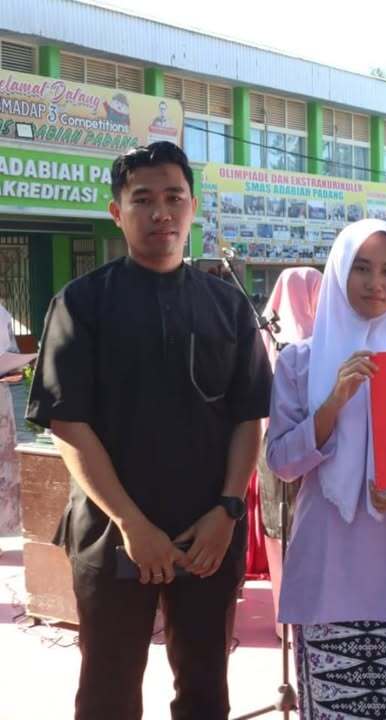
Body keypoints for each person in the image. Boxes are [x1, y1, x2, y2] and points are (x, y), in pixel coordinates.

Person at [25, 142, 272, 720]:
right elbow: (67, 422)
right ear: (118, 211)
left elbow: (248, 416)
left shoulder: (228, 306)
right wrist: (133, 524)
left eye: (174, 197)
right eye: (143, 199)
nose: (161, 212)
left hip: (208, 535)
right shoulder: (82, 304)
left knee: (205, 689)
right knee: (108, 691)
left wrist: (228, 510)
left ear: (193, 207)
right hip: (113, 532)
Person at [266, 219, 386, 720]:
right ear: (338, 273)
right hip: (327, 572)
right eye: (362, 268)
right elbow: (282, 463)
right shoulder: (300, 363)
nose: (377, 283)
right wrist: (333, 400)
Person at [255, 266, 322, 638]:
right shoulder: (318, 345)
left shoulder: (264, 334)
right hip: (310, 451)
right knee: (294, 532)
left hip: (272, 446)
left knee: (280, 533)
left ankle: (285, 618)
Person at [0, 301, 22, 535]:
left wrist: (14, 369)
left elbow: (13, 351)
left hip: (0, 401)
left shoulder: (1, 312)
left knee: (2, 471)